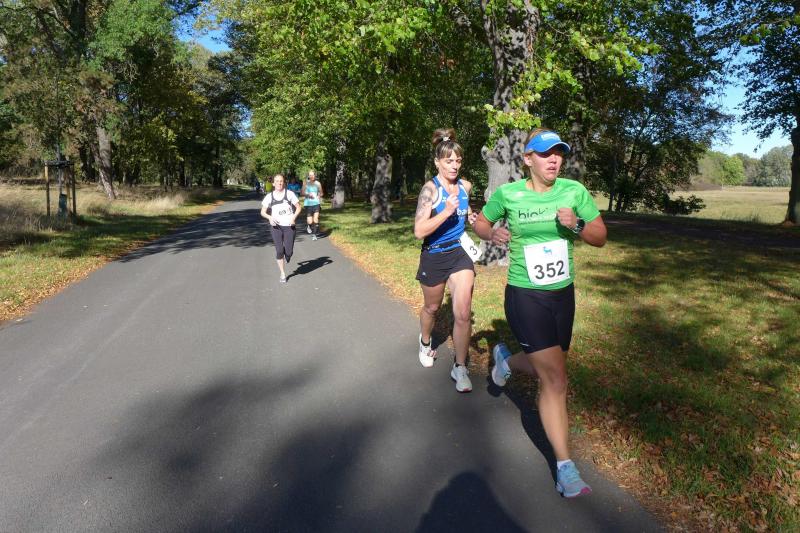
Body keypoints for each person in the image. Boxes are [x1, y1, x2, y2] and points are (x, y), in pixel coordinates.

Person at [473, 128, 607, 497]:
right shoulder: (509, 194)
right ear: (528, 159)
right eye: (546, 153)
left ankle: (506, 361)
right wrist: (491, 234)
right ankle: (565, 468)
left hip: (563, 296)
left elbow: (600, 236)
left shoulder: (574, 191)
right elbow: (482, 221)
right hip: (525, 295)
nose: (554, 159)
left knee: (551, 366)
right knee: (556, 380)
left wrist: (576, 224)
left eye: (559, 153)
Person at [414, 128, 480, 393]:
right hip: (434, 254)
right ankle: (425, 341)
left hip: (459, 253)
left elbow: (465, 207)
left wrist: (471, 216)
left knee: (463, 313)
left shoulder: (465, 186)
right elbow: (419, 230)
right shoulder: (430, 190)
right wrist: (446, 212)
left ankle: (460, 367)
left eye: (458, 161)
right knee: (432, 308)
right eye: (449, 161)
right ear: (437, 162)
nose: (454, 165)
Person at [260, 174, 301, 283]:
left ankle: (288, 255)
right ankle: (282, 274)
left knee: (289, 251)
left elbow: (298, 207)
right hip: (276, 227)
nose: (279, 183)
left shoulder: (290, 194)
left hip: (289, 226)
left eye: (281, 181)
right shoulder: (269, 196)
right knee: (279, 251)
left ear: (284, 183)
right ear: (273, 183)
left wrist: (293, 218)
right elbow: (262, 212)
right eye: (277, 181)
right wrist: (269, 217)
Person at [302, 170, 323, 240]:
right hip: (308, 204)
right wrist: (308, 194)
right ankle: (309, 226)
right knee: (310, 221)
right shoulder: (306, 183)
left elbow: (321, 193)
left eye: (313, 175)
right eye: (310, 175)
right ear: (309, 176)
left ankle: (314, 235)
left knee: (316, 219)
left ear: (315, 176)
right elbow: (302, 193)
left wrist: (319, 195)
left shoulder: (318, 183)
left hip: (316, 203)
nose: (312, 176)